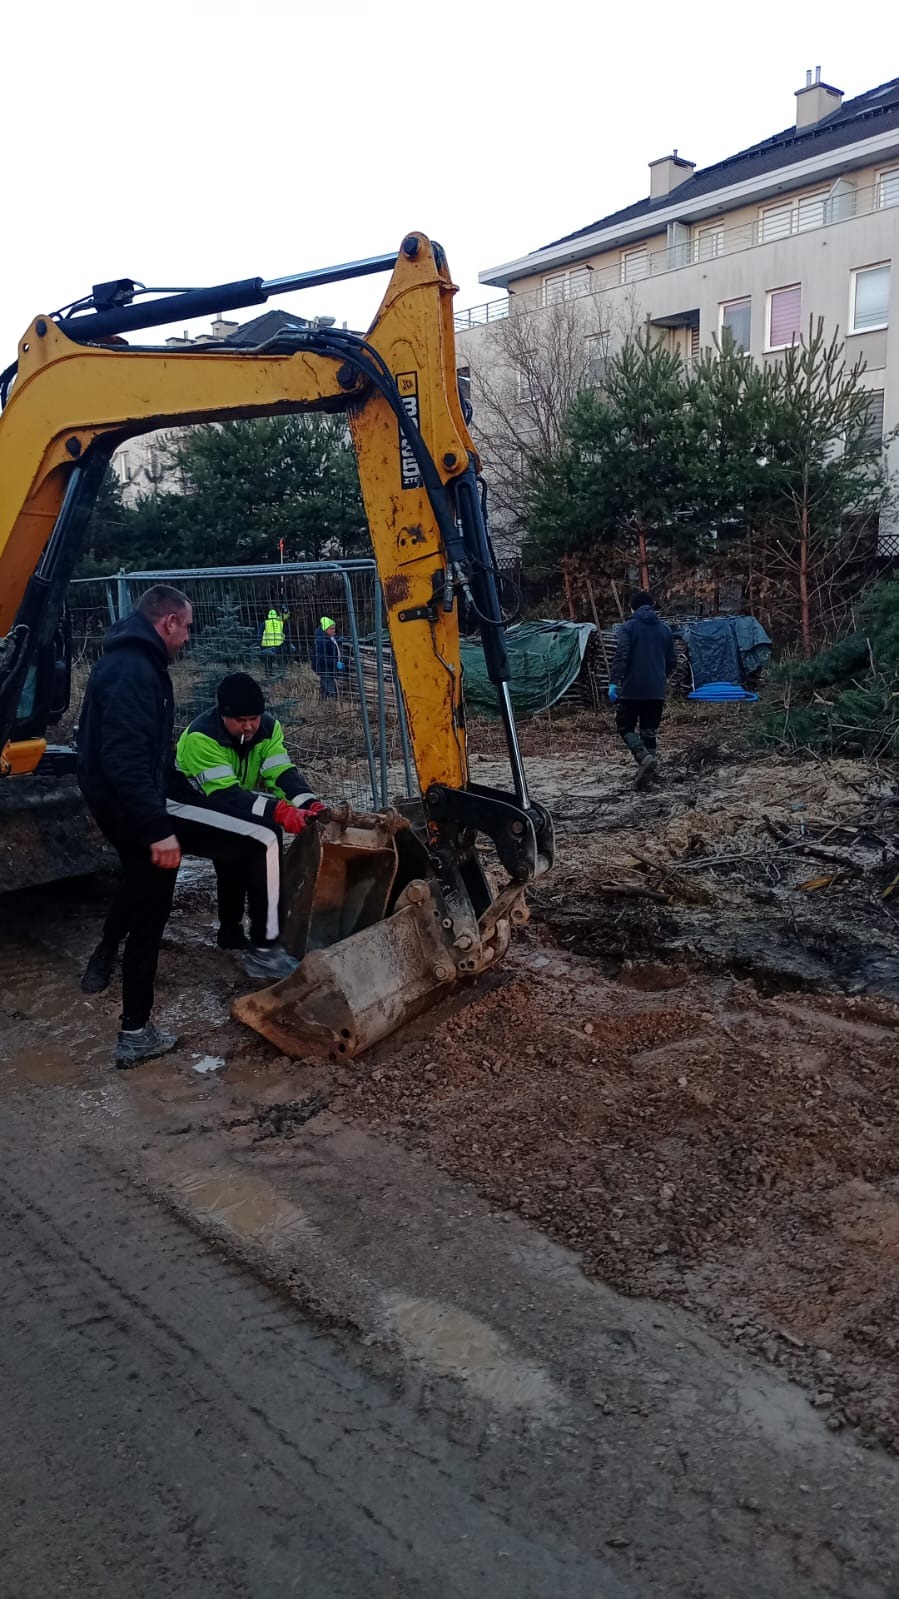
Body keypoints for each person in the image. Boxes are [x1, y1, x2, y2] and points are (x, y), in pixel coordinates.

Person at [77, 584, 193, 1068]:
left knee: (135, 882)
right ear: (166, 622)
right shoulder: (134, 671)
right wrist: (158, 829)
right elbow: (124, 759)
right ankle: (135, 1032)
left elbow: (147, 754)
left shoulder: (132, 661)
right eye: (186, 627)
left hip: (121, 804)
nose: (188, 637)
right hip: (126, 807)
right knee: (151, 911)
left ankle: (103, 954)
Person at [168, 672, 326, 979]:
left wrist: (310, 805)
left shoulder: (269, 729)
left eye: (254, 717)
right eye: (241, 720)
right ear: (223, 714)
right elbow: (225, 795)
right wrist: (280, 812)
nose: (250, 726)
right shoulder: (201, 737)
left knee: (242, 843)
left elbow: (280, 773)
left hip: (214, 804)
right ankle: (266, 950)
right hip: (179, 810)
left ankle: (230, 932)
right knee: (265, 836)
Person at [609, 590, 676, 788]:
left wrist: (614, 681)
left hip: (632, 689)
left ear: (633, 608)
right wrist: (659, 676)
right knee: (649, 730)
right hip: (656, 690)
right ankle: (649, 775)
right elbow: (672, 661)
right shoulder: (665, 630)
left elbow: (621, 656)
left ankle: (643, 757)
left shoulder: (628, 628)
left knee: (625, 726)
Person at [312, 615, 341, 699]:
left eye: (334, 628)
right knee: (329, 687)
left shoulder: (329, 637)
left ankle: (324, 701)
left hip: (329, 668)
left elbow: (336, 640)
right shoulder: (321, 641)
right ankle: (329, 705)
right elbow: (321, 659)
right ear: (325, 629)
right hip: (324, 669)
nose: (334, 631)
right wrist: (336, 663)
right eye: (331, 629)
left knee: (326, 686)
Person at [259, 606, 289, 675]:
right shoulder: (280, 622)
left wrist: (260, 645)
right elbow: (286, 632)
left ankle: (268, 675)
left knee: (268, 661)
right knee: (280, 661)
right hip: (279, 645)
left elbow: (259, 634)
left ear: (268, 616)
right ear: (276, 615)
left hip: (267, 645)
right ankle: (282, 674)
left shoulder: (264, 623)